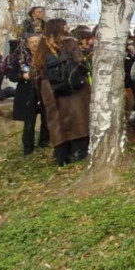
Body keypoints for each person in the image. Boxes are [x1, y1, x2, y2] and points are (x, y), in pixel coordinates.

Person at [33, 19, 90, 166]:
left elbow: (37, 67)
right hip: (71, 85)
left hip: (48, 86)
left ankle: (61, 154)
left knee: (55, 119)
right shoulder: (69, 42)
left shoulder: (42, 45)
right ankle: (79, 150)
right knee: (78, 115)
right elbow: (79, 61)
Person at [10, 37, 49, 154]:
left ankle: (44, 142)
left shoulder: (46, 56)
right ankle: (28, 148)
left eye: (36, 42)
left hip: (43, 91)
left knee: (46, 119)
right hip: (27, 93)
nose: (34, 44)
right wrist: (23, 76)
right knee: (29, 122)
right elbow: (11, 74)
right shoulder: (20, 59)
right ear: (27, 44)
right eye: (31, 42)